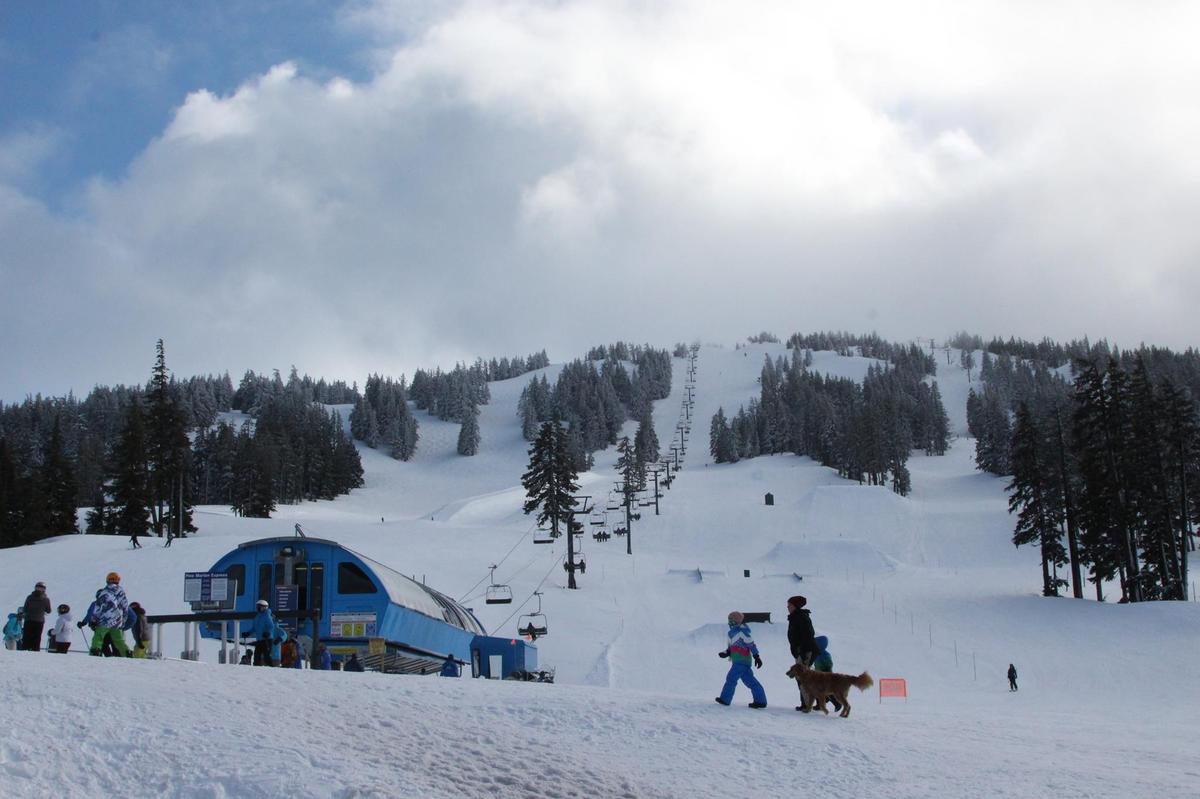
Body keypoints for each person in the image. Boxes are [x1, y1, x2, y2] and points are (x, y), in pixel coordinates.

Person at [715, 611, 767, 709]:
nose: (729, 622)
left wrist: (756, 656)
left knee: (731, 678)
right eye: (729, 620)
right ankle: (761, 701)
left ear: (737, 621)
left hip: (742, 661)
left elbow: (751, 644)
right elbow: (731, 648)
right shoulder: (731, 633)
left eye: (731, 620)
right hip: (739, 661)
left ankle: (725, 699)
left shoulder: (742, 632)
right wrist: (726, 653)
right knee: (750, 681)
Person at [787, 595, 818, 712]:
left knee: (803, 678)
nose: (788, 607)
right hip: (801, 652)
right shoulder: (796, 617)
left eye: (789, 605)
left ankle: (807, 704)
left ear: (795, 606)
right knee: (803, 678)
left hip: (805, 651)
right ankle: (808, 703)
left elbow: (808, 635)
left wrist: (804, 652)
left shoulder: (801, 617)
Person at [89, 572, 131, 657]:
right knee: (118, 639)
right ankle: (126, 653)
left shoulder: (104, 592)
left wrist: (93, 620)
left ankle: (95, 650)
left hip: (105, 619)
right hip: (117, 620)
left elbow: (98, 607)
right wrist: (123, 620)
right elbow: (125, 607)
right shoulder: (121, 592)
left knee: (99, 636)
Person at [811, 635, 843, 713]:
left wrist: (825, 671)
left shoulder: (824, 655)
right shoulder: (818, 653)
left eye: (815, 644)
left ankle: (837, 703)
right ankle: (820, 704)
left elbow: (829, 664)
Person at [22, 582, 51, 652]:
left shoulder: (29, 597)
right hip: (39, 621)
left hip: (28, 619)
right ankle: (35, 652)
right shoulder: (46, 599)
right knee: (37, 638)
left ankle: (24, 651)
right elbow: (48, 610)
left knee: (26, 637)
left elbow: (25, 609)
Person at [250, 600, 276, 666]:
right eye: (257, 606)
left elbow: (271, 626)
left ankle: (272, 670)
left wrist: (268, 633)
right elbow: (254, 628)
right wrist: (248, 633)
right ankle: (256, 670)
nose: (258, 608)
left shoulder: (267, 615)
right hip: (259, 640)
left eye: (260, 606)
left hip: (267, 639)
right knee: (256, 656)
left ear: (265, 607)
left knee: (266, 656)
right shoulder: (257, 617)